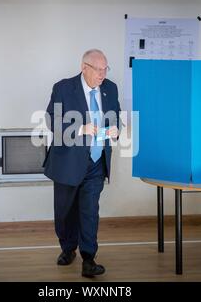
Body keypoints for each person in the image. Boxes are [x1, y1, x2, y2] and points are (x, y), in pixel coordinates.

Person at [43, 49, 121, 277]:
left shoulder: (110, 88)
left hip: (96, 162)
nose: (102, 75)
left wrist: (116, 129)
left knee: (89, 211)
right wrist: (79, 129)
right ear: (84, 67)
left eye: (106, 69)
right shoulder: (63, 88)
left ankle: (89, 258)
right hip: (68, 161)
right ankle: (68, 249)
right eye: (98, 69)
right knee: (65, 211)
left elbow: (115, 114)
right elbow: (52, 121)